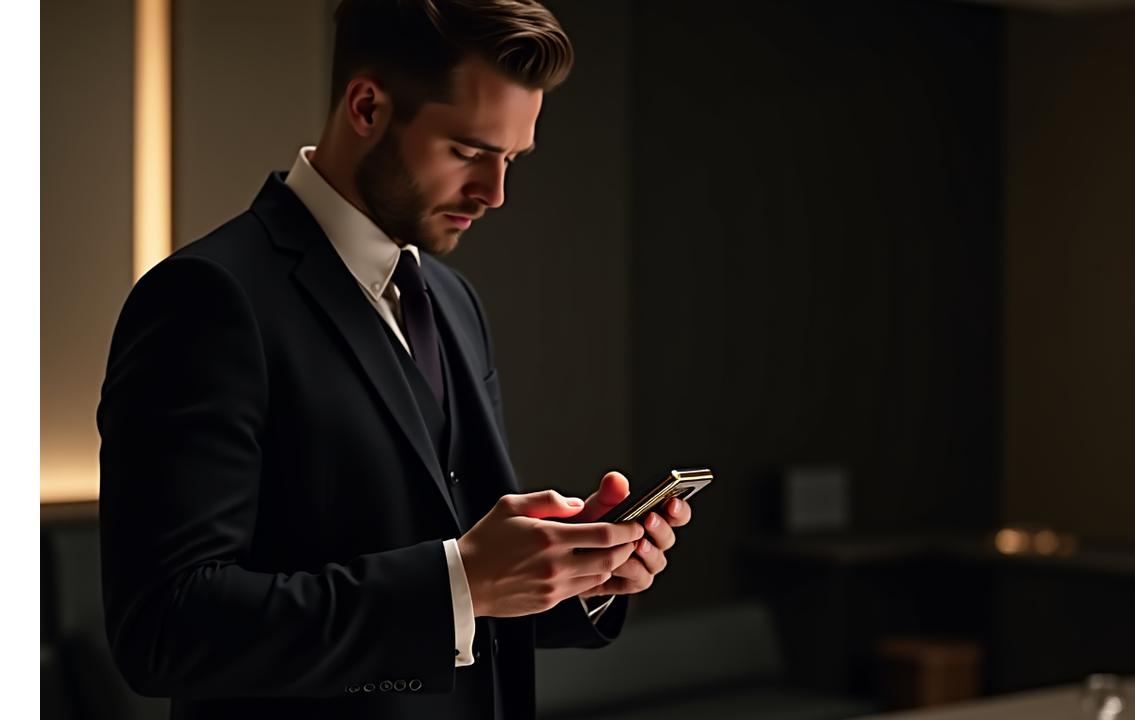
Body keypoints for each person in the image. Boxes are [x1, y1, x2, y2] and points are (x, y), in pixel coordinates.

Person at [95, 1, 692, 718]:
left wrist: (573, 575)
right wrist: (460, 584)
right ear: (368, 107)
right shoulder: (205, 300)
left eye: (511, 160)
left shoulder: (453, 299)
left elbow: (459, 575)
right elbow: (165, 628)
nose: (495, 194)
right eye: (470, 152)